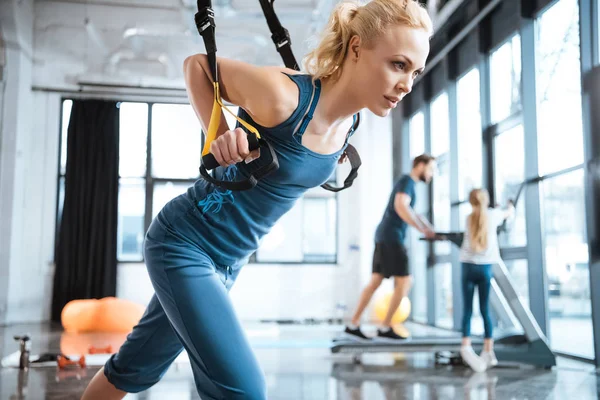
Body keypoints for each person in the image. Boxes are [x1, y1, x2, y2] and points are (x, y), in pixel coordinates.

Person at [81, 1, 433, 399]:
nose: (407, 84)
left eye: (415, 72)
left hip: (229, 261)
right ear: (355, 49)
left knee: (134, 368)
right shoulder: (283, 96)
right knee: (244, 390)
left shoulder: (351, 121)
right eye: (398, 65)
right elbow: (197, 66)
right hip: (184, 243)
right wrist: (220, 132)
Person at [345, 154, 436, 341]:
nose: (432, 174)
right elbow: (401, 206)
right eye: (431, 168)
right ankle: (386, 326)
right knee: (405, 281)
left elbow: (406, 208)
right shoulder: (407, 181)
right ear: (420, 165)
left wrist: (424, 223)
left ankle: (353, 324)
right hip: (392, 237)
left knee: (376, 281)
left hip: (383, 235)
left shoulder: (406, 183)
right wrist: (421, 228)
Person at [459, 188, 514, 372]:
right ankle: (488, 350)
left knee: (467, 310)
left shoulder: (468, 218)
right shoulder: (494, 215)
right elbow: (508, 213)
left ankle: (465, 346)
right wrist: (509, 207)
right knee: (484, 310)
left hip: (467, 267)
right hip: (485, 269)